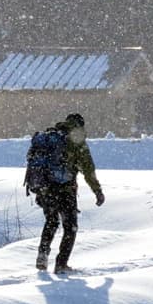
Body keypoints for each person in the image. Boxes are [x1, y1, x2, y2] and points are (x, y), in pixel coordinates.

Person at [25, 113, 105, 275]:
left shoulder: (49, 137)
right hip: (65, 190)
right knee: (70, 227)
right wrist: (97, 191)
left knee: (51, 221)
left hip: (45, 189)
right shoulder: (76, 141)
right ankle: (61, 264)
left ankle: (42, 254)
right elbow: (88, 170)